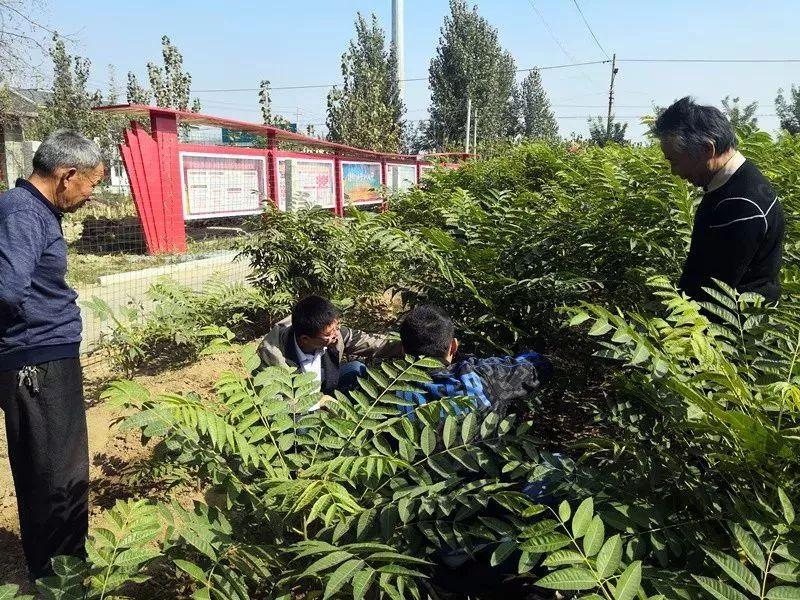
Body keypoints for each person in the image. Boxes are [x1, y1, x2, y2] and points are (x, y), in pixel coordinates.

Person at [0, 129, 105, 580]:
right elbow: (6, 290)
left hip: (44, 356)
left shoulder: (33, 210)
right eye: (92, 184)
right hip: (35, 362)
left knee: (60, 467)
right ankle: (59, 578)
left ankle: (64, 566)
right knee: (53, 475)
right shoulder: (22, 212)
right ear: (67, 175)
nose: (92, 195)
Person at [652, 96, 785, 303]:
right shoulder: (735, 183)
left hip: (735, 329)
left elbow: (713, 292)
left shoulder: (740, 205)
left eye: (675, 161)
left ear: (707, 149)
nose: (674, 172)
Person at [398, 304, 552, 416]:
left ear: (403, 349)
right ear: (453, 346)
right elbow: (539, 365)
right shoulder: (484, 376)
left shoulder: (386, 389)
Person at [258, 295, 403, 395]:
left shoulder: (333, 334)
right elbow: (273, 400)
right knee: (301, 426)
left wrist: (405, 346)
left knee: (356, 369)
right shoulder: (273, 356)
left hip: (324, 386)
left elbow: (370, 343)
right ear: (305, 339)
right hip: (297, 402)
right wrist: (318, 403)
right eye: (328, 334)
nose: (335, 334)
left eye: (336, 327)